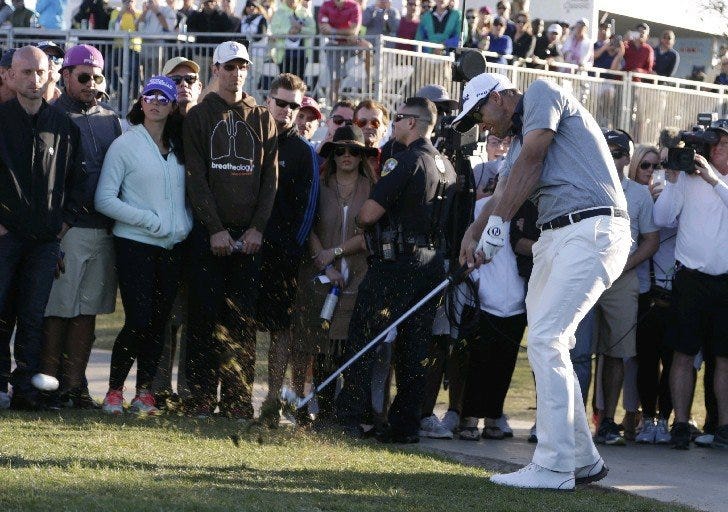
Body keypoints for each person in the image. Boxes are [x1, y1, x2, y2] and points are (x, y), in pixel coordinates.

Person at [454, 72, 630, 489]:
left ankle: (553, 466)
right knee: (552, 344)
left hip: (591, 228)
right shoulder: (516, 144)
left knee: (548, 338)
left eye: (480, 113)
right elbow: (503, 193)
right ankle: (583, 458)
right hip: (555, 236)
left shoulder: (540, 93)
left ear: (498, 97)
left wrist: (497, 224)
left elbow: (535, 160)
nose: (482, 125)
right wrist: (474, 232)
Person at [335, 97, 456, 443]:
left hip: (396, 261)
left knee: (364, 334)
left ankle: (349, 415)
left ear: (413, 123)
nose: (394, 123)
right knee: (415, 346)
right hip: (430, 263)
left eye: (399, 117)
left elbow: (368, 214)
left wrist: (361, 218)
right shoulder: (446, 164)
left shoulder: (406, 161)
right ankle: (406, 425)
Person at [183, 41, 278, 419]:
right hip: (209, 235)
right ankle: (201, 396)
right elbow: (196, 177)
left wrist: (257, 229)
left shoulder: (262, 116)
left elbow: (270, 180)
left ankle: (238, 400)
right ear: (216, 70)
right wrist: (215, 229)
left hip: (249, 237)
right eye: (229, 66)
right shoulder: (198, 116)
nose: (237, 73)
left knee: (241, 321)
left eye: (242, 66)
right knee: (204, 317)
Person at [95, 76, 189, 416]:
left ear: (173, 105)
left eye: (164, 98)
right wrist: (148, 220)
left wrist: (183, 226)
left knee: (159, 322)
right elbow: (104, 199)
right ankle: (114, 392)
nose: (156, 102)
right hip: (135, 244)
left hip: (173, 247)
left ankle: (145, 392)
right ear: (140, 100)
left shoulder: (179, 145)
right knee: (138, 319)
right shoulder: (126, 143)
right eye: (150, 95)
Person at [0, 46, 84, 411]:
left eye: (40, 72)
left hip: (46, 240)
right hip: (6, 238)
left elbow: (78, 183)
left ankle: (26, 391)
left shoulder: (64, 126)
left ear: (51, 74)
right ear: (10, 76)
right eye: (26, 72)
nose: (34, 80)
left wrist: (61, 229)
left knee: (33, 316)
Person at [41, 44, 122, 410]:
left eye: (97, 77)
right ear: (66, 76)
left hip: (103, 229)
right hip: (65, 230)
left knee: (87, 311)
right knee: (58, 309)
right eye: (83, 76)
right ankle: (49, 385)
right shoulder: (51, 115)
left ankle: (75, 387)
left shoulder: (111, 119)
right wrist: (53, 232)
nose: (91, 83)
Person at [290, 125, 377, 424]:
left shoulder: (371, 188)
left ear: (362, 155)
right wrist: (323, 261)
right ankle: (311, 406)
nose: (346, 156)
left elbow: (371, 234)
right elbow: (308, 227)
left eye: (354, 150)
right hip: (318, 274)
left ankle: (344, 412)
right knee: (315, 343)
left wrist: (336, 253)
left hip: (358, 275)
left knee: (345, 345)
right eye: (340, 150)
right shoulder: (320, 185)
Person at [653, 125, 728, 450]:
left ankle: (724, 426)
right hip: (691, 279)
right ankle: (681, 422)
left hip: (725, 281)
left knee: (725, 358)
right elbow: (662, 217)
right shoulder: (686, 178)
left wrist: (713, 179)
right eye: (713, 145)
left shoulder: (714, 180)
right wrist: (671, 181)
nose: (716, 150)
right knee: (682, 354)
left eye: (722, 144)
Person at [256, 73, 319, 427]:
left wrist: (290, 249)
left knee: (282, 331)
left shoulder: (303, 151)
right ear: (268, 101)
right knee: (243, 326)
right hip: (244, 250)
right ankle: (232, 396)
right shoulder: (252, 139)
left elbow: (308, 208)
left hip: (282, 256)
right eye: (281, 103)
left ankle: (274, 399)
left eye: (294, 106)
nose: (287, 111)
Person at [591, 130, 658, 446]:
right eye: (609, 149)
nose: (614, 156)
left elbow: (651, 239)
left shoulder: (639, 193)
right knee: (577, 351)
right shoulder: (586, 182)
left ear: (627, 158)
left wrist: (626, 264)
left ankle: (607, 421)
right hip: (585, 275)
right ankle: (571, 419)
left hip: (622, 279)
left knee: (616, 353)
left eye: (620, 152)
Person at [150, 56, 203, 406]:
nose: (184, 83)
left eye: (190, 78)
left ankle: (187, 392)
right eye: (176, 78)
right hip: (161, 235)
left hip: (202, 236)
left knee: (194, 316)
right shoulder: (155, 126)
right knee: (162, 315)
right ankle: (155, 390)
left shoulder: (208, 123)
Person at [458, 184, 527, 441]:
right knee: (478, 362)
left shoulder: (528, 212)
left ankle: (493, 417)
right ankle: (469, 417)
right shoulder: (481, 210)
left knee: (505, 364)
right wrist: (478, 286)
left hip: (517, 302)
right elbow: (468, 252)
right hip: (484, 300)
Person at [630, 143, 675, 445]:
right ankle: (646, 418)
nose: (652, 172)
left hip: (678, 289)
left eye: (657, 166)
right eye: (646, 166)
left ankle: (666, 419)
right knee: (645, 361)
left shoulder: (677, 192)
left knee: (674, 361)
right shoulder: (634, 197)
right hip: (645, 289)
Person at [269, 0, 316, 81]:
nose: (293, 1)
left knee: (299, 82)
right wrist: (288, 31)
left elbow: (312, 31)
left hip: (302, 55)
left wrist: (300, 28)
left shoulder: (305, 12)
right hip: (283, 55)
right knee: (284, 82)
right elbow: (274, 31)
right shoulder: (279, 13)